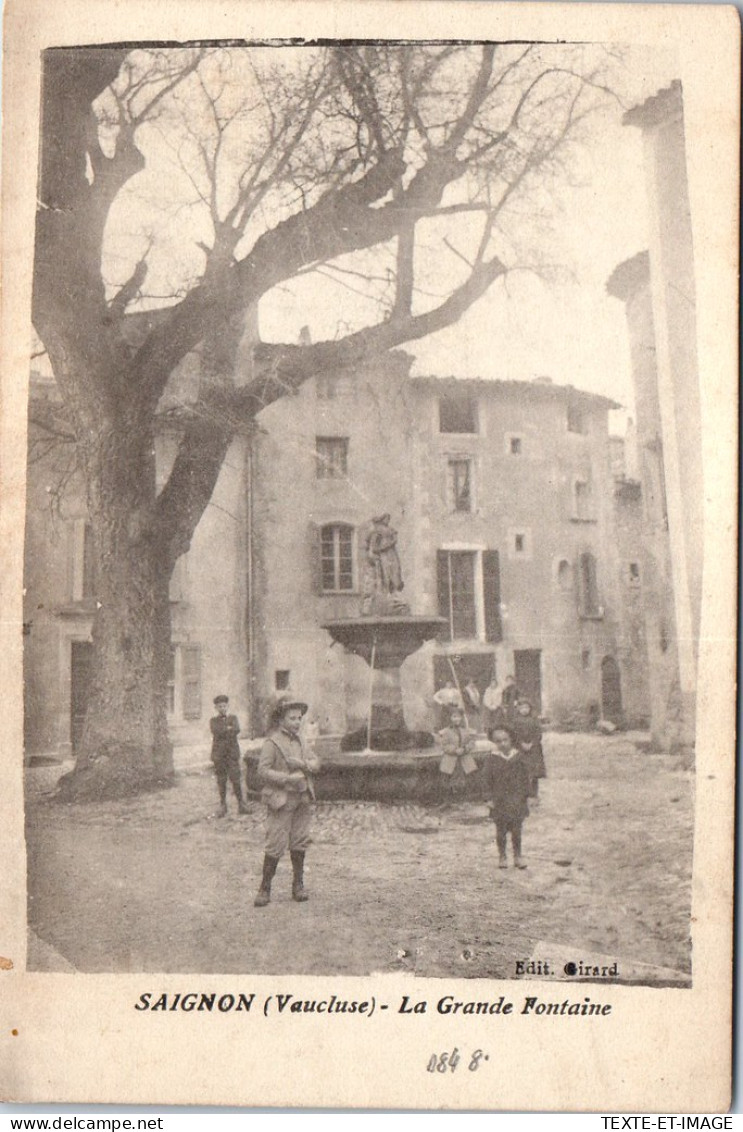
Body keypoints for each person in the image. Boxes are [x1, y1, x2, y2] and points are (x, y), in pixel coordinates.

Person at [254, 695, 320, 908]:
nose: (297, 722)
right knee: (275, 844)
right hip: (281, 800)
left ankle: (298, 885)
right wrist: (286, 779)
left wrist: (303, 763)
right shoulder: (272, 743)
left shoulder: (301, 740)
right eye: (292, 718)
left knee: (299, 841)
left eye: (299, 718)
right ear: (281, 719)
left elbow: (316, 763)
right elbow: (262, 771)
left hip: (302, 798)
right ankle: (264, 888)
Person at [486, 724, 531, 869]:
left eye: (505, 740)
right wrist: (489, 798)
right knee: (501, 830)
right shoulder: (491, 759)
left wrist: (529, 795)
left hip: (517, 799)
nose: (502, 744)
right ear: (494, 742)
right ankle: (502, 856)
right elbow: (486, 780)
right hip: (499, 800)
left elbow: (526, 778)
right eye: (498, 741)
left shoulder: (518, 757)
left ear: (511, 739)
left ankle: (518, 856)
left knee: (517, 830)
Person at [209, 695, 250, 817]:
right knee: (221, 781)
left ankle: (241, 805)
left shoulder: (233, 718)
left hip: (232, 755)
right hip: (219, 755)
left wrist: (226, 730)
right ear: (216, 707)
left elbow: (236, 730)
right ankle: (223, 806)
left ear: (228, 706)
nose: (222, 708)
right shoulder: (213, 721)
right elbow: (216, 731)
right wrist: (228, 729)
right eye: (219, 706)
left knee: (236, 779)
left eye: (224, 706)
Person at [436, 705, 478, 804]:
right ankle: (449, 801)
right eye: (454, 716)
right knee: (449, 780)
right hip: (451, 759)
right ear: (449, 718)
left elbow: (472, 742)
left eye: (459, 716)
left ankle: (463, 800)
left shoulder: (466, 730)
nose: (457, 719)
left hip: (464, 758)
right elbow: (443, 745)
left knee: (465, 779)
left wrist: (465, 749)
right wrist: (454, 750)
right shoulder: (445, 732)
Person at [511, 697, 546, 800]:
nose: (525, 710)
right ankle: (523, 793)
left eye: (527, 707)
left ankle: (534, 794)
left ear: (530, 708)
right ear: (518, 709)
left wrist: (532, 743)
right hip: (520, 749)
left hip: (534, 749)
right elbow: (514, 734)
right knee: (522, 772)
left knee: (534, 773)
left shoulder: (534, 720)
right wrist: (521, 743)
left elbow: (538, 733)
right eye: (522, 708)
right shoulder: (516, 721)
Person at [365, 513, 404, 593]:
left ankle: (397, 585)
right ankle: (388, 587)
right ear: (382, 519)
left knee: (396, 567)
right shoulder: (378, 530)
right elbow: (371, 540)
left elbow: (395, 539)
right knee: (386, 570)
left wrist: (390, 544)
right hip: (383, 553)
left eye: (388, 519)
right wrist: (378, 549)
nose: (387, 521)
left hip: (391, 551)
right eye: (386, 519)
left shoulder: (390, 529)